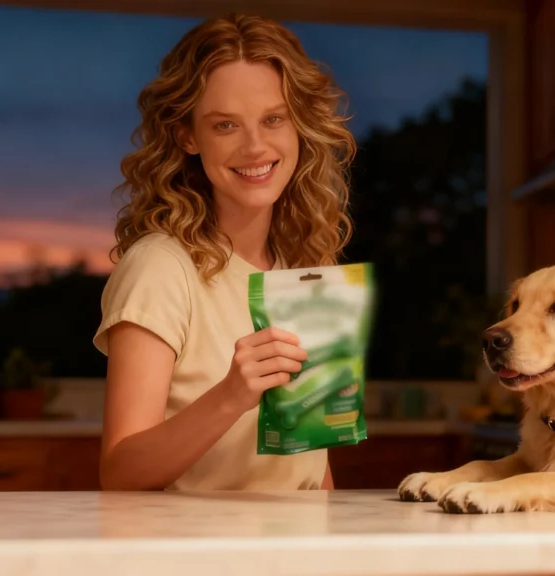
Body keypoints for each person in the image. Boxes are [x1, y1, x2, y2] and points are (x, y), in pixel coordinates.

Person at [92, 13, 357, 491]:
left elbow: (312, 471)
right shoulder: (161, 267)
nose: (255, 146)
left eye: (273, 119)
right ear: (188, 136)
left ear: (299, 125)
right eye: (225, 125)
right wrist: (232, 395)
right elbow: (120, 473)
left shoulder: (307, 267)